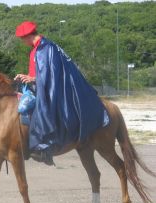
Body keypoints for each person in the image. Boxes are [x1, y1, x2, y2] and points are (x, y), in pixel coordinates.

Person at [14, 21, 109, 166]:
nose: (22, 42)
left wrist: (33, 79)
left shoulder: (46, 48)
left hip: (50, 89)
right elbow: (37, 72)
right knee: (21, 107)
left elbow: (52, 74)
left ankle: (45, 146)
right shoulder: (36, 49)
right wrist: (26, 76)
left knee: (38, 110)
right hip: (37, 87)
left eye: (22, 38)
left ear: (28, 35)